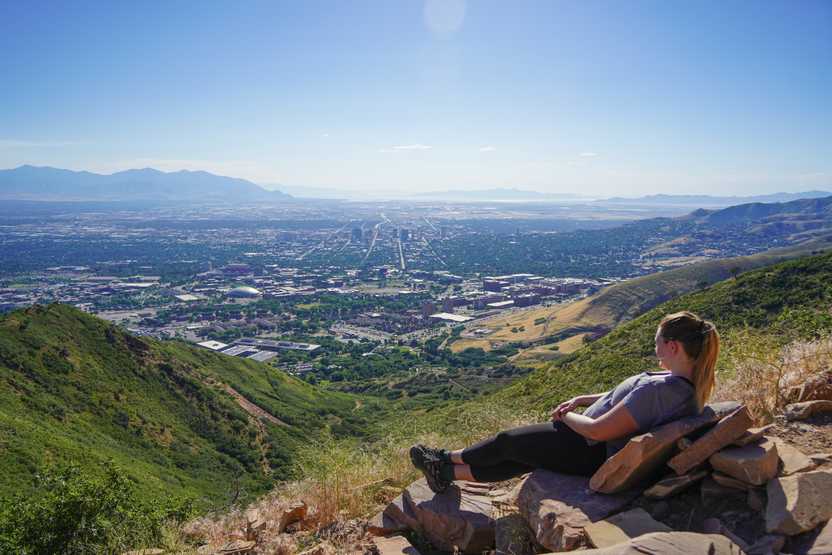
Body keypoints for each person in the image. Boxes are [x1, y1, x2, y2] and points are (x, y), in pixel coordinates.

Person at [410, 311, 720, 493]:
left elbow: (598, 430)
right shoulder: (680, 386)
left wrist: (564, 415)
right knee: (521, 455)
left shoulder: (662, 390)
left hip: (589, 448)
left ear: (674, 346)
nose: (656, 351)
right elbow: (629, 402)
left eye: (658, 344)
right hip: (587, 443)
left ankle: (443, 459)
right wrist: (585, 399)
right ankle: (446, 474)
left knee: (508, 442)